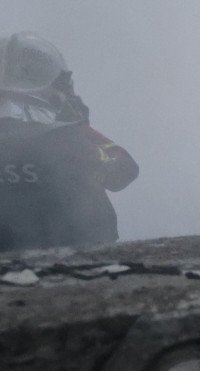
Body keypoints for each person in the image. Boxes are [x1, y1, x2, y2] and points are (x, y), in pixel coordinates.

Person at [0, 34, 139, 251]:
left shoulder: (71, 135)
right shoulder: (71, 136)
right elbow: (123, 171)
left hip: (74, 246)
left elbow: (123, 169)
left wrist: (90, 156)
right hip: (76, 253)